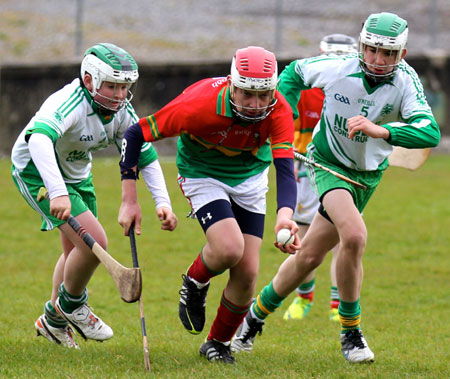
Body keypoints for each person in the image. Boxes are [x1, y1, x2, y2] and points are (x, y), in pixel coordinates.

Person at [231, 12, 440, 363]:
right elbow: (295, 73)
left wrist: (383, 131)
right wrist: (281, 119)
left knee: (308, 257)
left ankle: (253, 317)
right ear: (361, 46)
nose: (377, 59)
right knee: (355, 236)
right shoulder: (338, 67)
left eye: (387, 53)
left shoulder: (405, 81)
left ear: (401, 55)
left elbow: (429, 131)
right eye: (371, 49)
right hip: (328, 166)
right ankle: (351, 333)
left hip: (367, 177)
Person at [118, 46, 300, 364]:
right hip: (202, 174)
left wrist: (285, 216)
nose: (256, 105)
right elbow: (135, 135)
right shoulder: (196, 105)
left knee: (248, 275)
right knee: (229, 248)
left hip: (250, 179)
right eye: (247, 94)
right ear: (232, 84)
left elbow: (285, 169)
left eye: (264, 95)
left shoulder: (279, 109)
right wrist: (129, 200)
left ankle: (217, 344)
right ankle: (195, 280)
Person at [11, 43, 177, 349]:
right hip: (37, 173)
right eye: (111, 86)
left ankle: (53, 321)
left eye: (124, 87)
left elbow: (146, 155)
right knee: (95, 242)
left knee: (75, 251)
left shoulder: (121, 111)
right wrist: (58, 192)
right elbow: (38, 140)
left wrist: (162, 202)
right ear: (89, 80)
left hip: (78, 176)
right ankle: (73, 304)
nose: (118, 94)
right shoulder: (70, 103)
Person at [283, 34, 358, 322]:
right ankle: (304, 297)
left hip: (342, 171)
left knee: (342, 237)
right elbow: (287, 125)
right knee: (302, 235)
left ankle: (338, 305)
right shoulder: (305, 89)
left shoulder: (358, 91)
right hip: (306, 169)